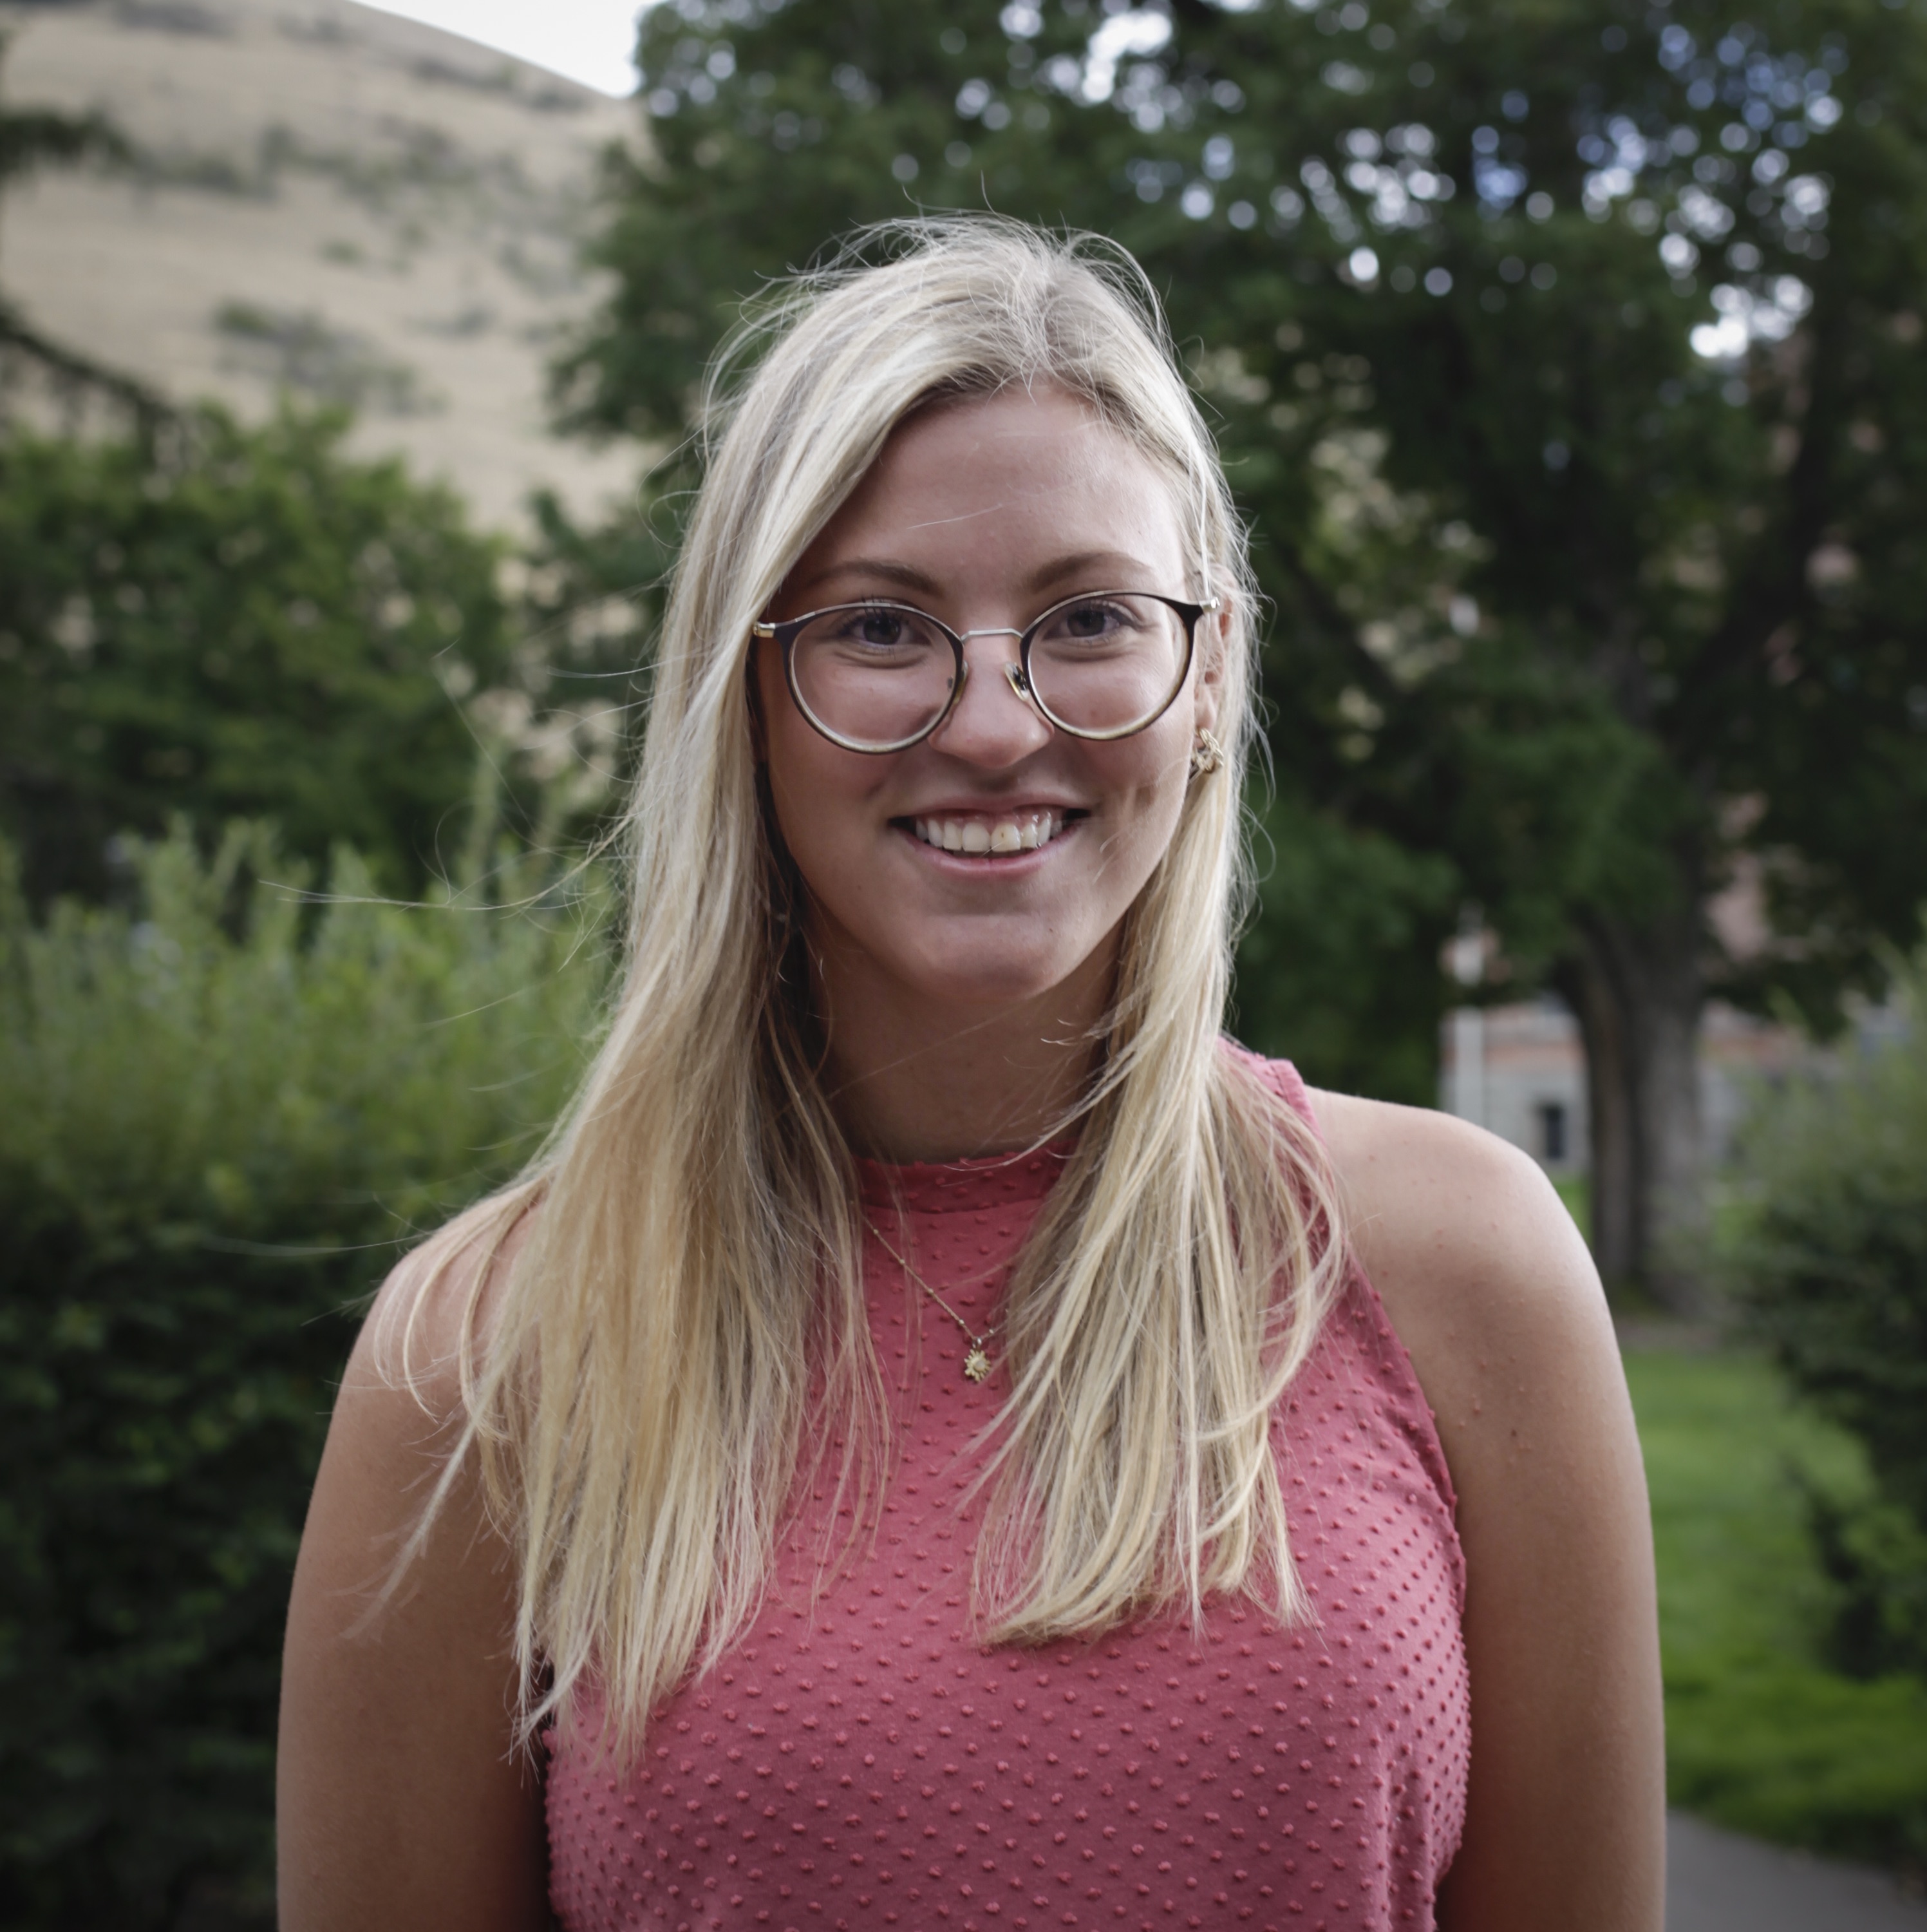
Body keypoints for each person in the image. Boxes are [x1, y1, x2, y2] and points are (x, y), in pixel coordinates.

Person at [277, 220, 1664, 1932]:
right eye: (880, 626)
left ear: (1210, 671)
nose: (995, 723)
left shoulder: (1462, 1266)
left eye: (1088, 615)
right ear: (746, 693)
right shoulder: (485, 1352)